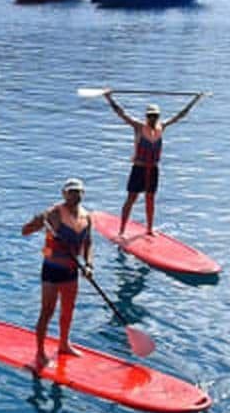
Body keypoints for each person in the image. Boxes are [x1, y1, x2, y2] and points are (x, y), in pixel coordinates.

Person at [104, 89, 205, 237]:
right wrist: (109, 98)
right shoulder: (138, 127)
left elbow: (180, 116)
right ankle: (121, 231)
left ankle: (149, 229)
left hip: (153, 169)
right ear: (146, 116)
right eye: (150, 116)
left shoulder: (161, 127)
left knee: (150, 199)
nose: (153, 118)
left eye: (155, 116)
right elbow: (121, 114)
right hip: (139, 169)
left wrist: (196, 100)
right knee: (131, 199)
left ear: (158, 116)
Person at [21, 178, 93, 371]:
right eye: (71, 192)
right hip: (52, 269)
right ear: (64, 194)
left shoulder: (87, 216)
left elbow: (88, 243)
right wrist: (37, 222)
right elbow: (25, 231)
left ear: (82, 194)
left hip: (72, 271)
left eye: (77, 192)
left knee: (68, 310)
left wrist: (89, 265)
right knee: (47, 311)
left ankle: (64, 344)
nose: (74, 195)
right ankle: (40, 353)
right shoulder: (53, 213)